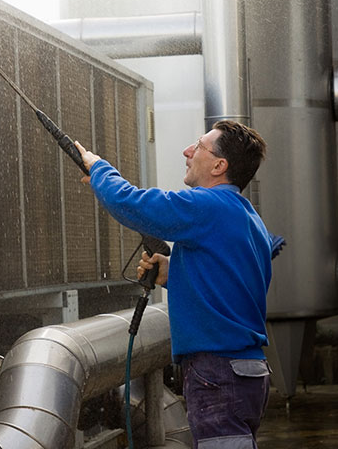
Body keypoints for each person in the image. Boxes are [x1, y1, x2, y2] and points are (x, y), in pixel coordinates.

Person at [75, 120, 272, 449]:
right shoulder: (248, 217)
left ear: (219, 165)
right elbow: (233, 285)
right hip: (247, 371)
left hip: (217, 371)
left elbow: (135, 206)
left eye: (199, 146)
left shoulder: (207, 205)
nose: (187, 151)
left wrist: (99, 170)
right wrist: (175, 271)